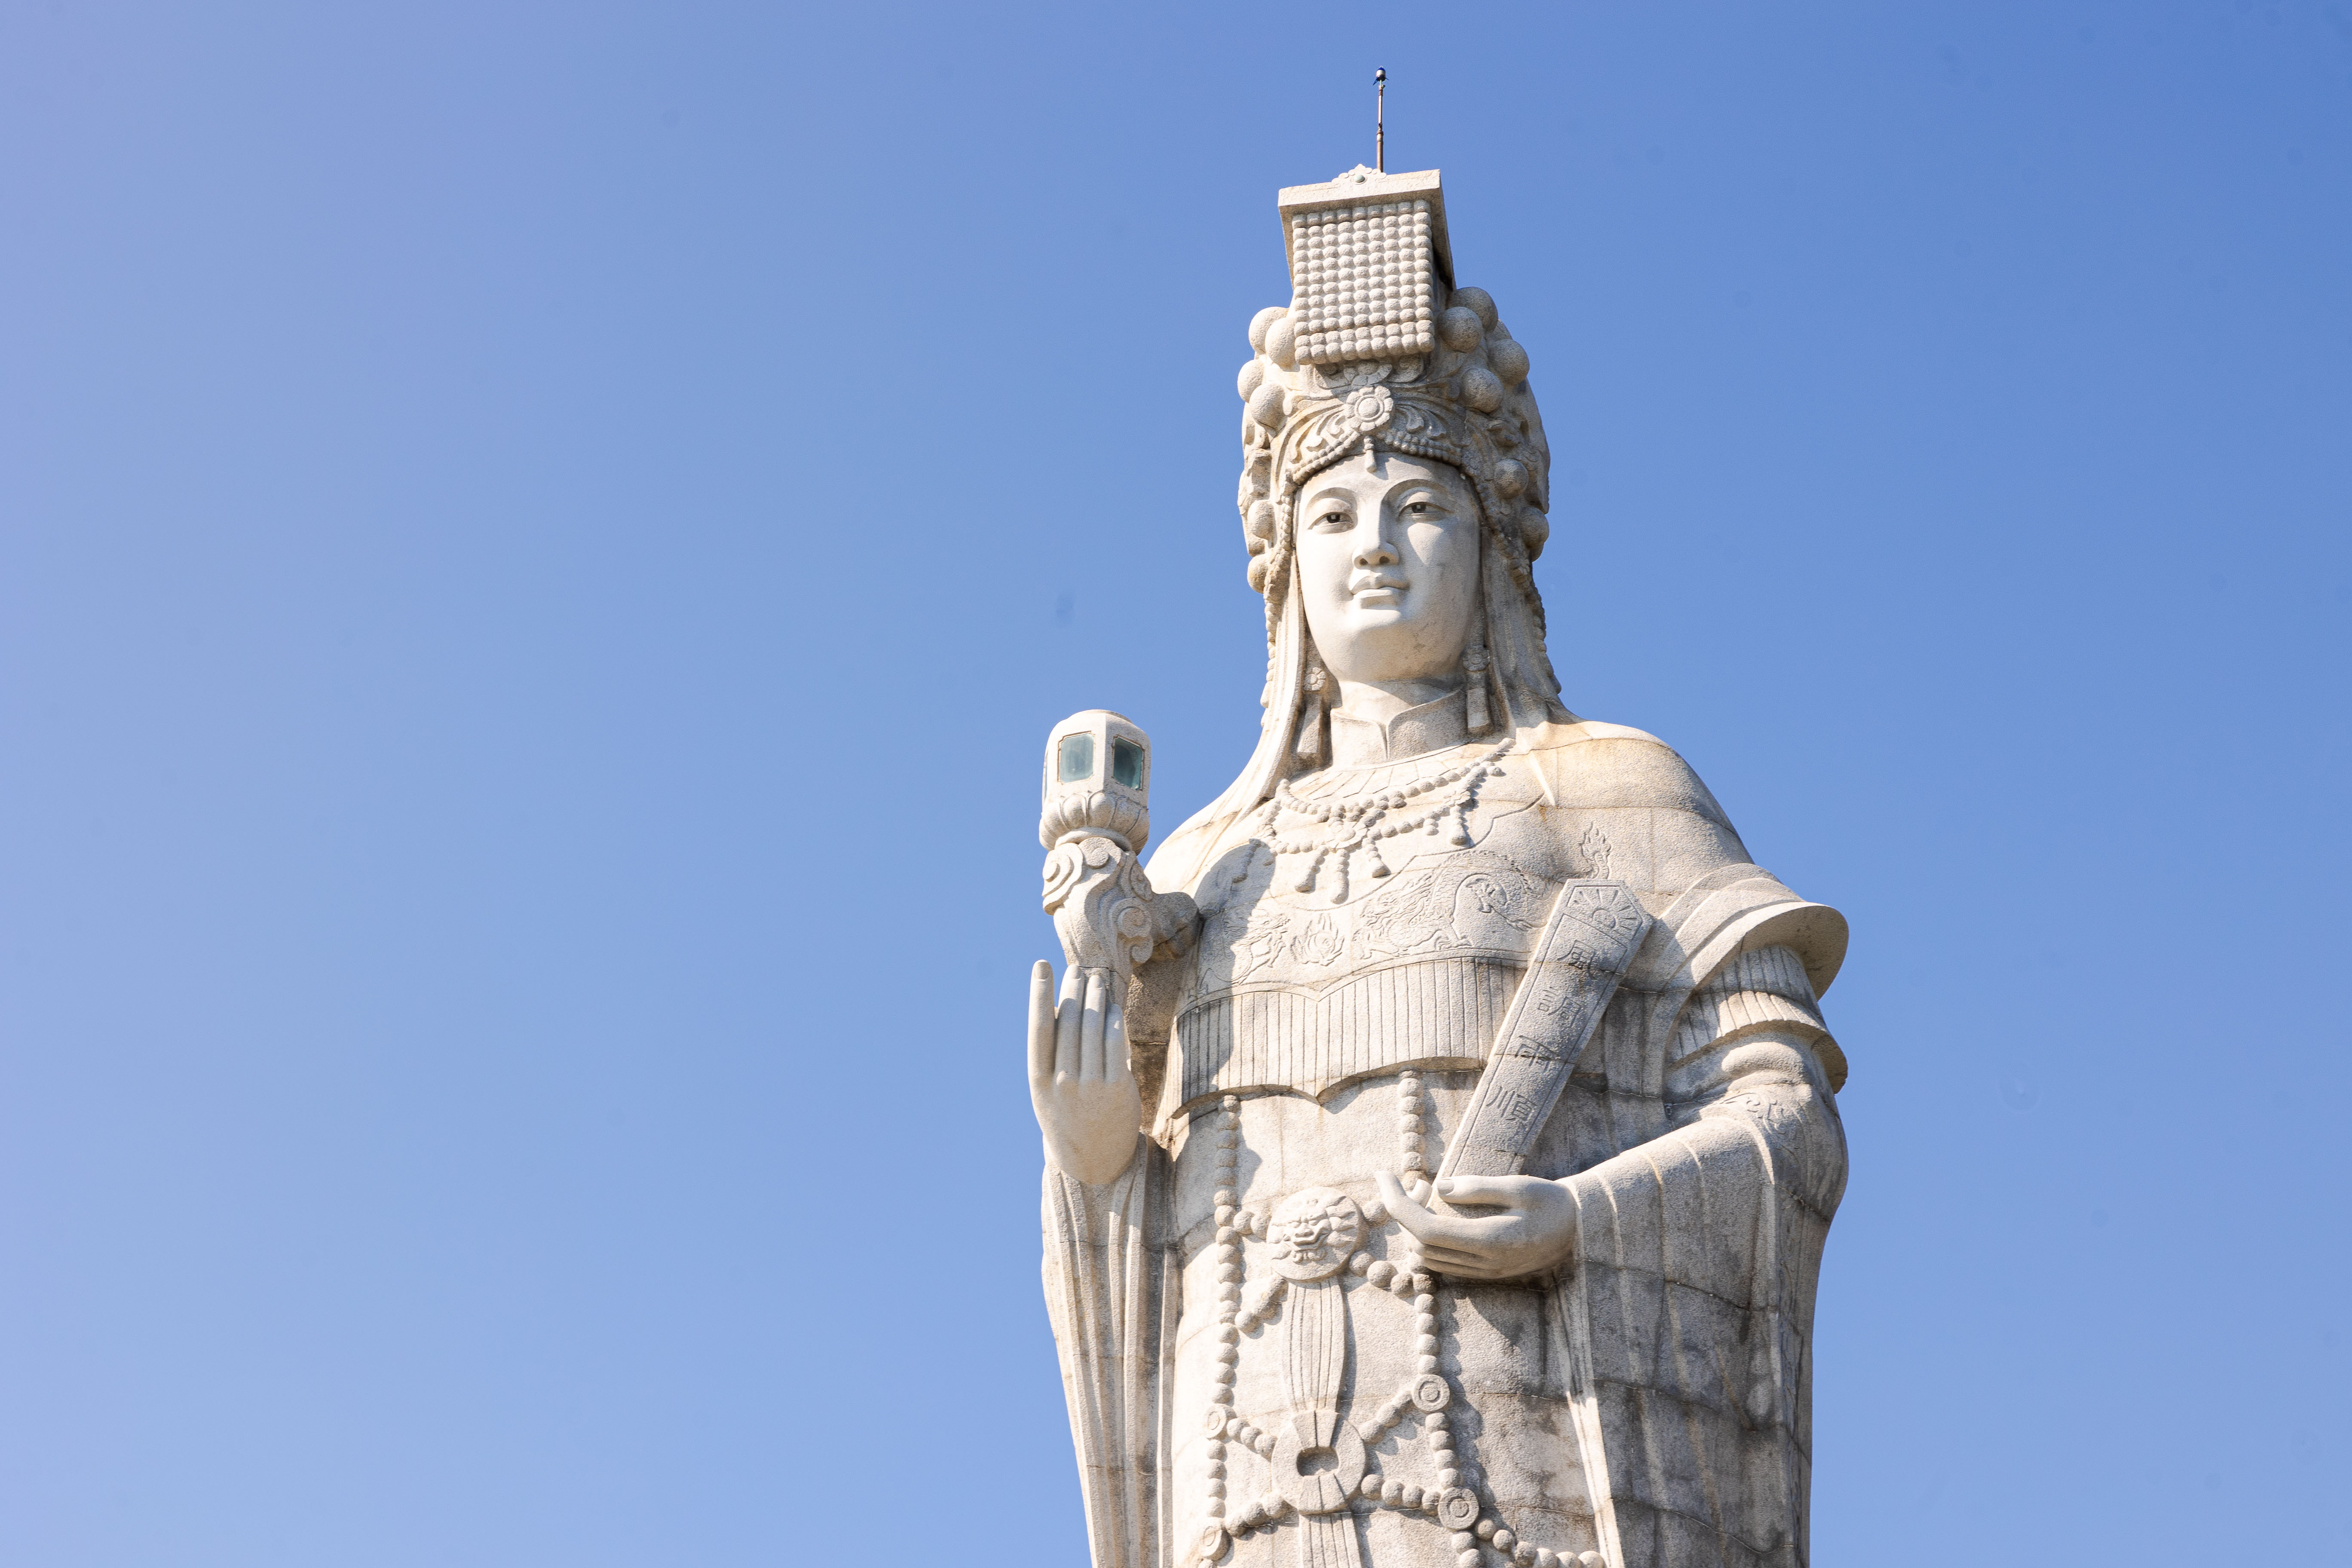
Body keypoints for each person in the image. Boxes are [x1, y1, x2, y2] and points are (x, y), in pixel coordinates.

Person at [1032, 175, 1848, 1568]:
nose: (1374, 548)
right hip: (1247, 1494)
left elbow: (1787, 1121)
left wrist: (1580, 1221)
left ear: (1493, 547)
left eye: (1418, 506)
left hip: (1519, 1480)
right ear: (1283, 565)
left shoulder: (1609, 789)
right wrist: (1099, 1156)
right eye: (1334, 516)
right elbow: (1145, 1232)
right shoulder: (1204, 866)